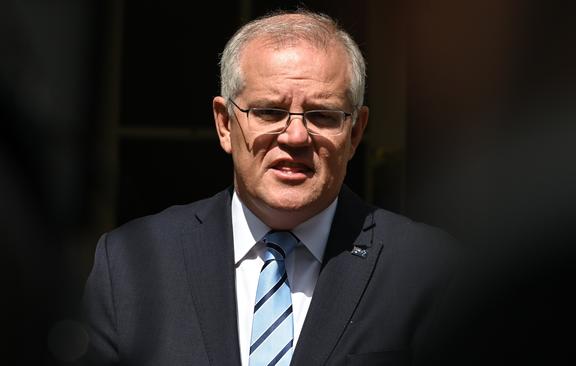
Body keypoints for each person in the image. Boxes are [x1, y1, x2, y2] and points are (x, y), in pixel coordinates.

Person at [83, 10, 459, 366]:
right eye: (269, 112)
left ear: (356, 131)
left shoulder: (424, 269)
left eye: (323, 115)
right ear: (225, 124)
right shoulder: (131, 264)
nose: (295, 136)